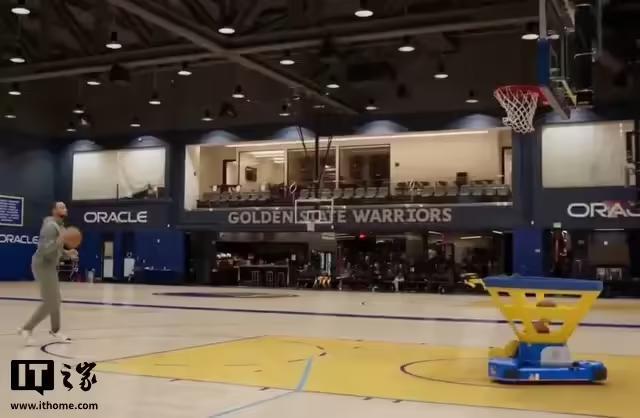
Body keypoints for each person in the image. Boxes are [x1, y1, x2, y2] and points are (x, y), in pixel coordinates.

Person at [18, 202, 77, 345]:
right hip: (42, 265)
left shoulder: (60, 227)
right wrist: (59, 241)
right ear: (54, 210)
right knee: (51, 302)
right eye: (61, 207)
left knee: (56, 300)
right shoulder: (50, 227)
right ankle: (26, 328)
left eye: (65, 207)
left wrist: (67, 253)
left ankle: (55, 330)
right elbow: (44, 249)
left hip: (50, 266)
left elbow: (57, 248)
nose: (65, 209)